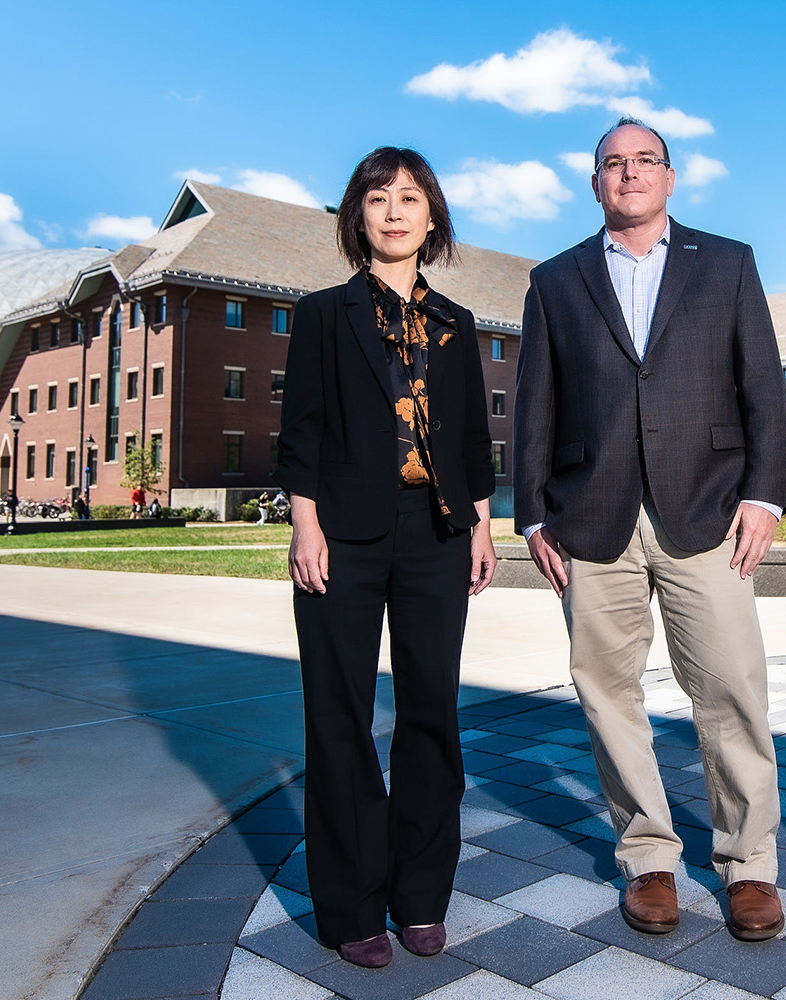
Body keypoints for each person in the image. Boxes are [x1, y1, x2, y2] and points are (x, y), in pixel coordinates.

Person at [513, 117, 786, 942]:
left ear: (671, 178)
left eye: (645, 161)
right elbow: (535, 404)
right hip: (588, 519)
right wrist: (532, 512)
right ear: (594, 183)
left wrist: (765, 497)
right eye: (613, 163)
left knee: (732, 689)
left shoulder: (729, 264)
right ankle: (649, 860)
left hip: (706, 512)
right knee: (607, 692)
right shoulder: (554, 279)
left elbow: (762, 391)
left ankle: (749, 867)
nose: (629, 173)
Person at [275, 146, 496, 969]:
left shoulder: (457, 323)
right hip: (343, 532)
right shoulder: (323, 315)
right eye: (378, 198)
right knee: (339, 717)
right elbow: (299, 433)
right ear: (356, 216)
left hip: (437, 535)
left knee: (432, 713)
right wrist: (305, 525)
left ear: (432, 216)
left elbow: (472, 439)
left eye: (411, 198)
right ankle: (352, 904)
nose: (395, 211)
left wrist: (481, 524)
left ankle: (421, 895)